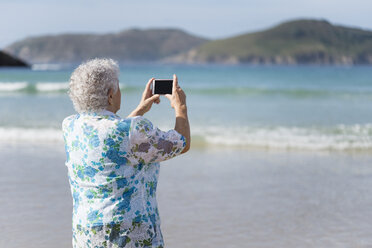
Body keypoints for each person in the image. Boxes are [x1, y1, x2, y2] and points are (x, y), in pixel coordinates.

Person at [62, 58, 190, 248]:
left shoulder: (70, 125)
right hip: (129, 232)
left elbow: (111, 142)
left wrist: (139, 110)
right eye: (118, 88)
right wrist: (180, 107)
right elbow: (181, 142)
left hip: (86, 232)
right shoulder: (132, 130)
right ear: (111, 95)